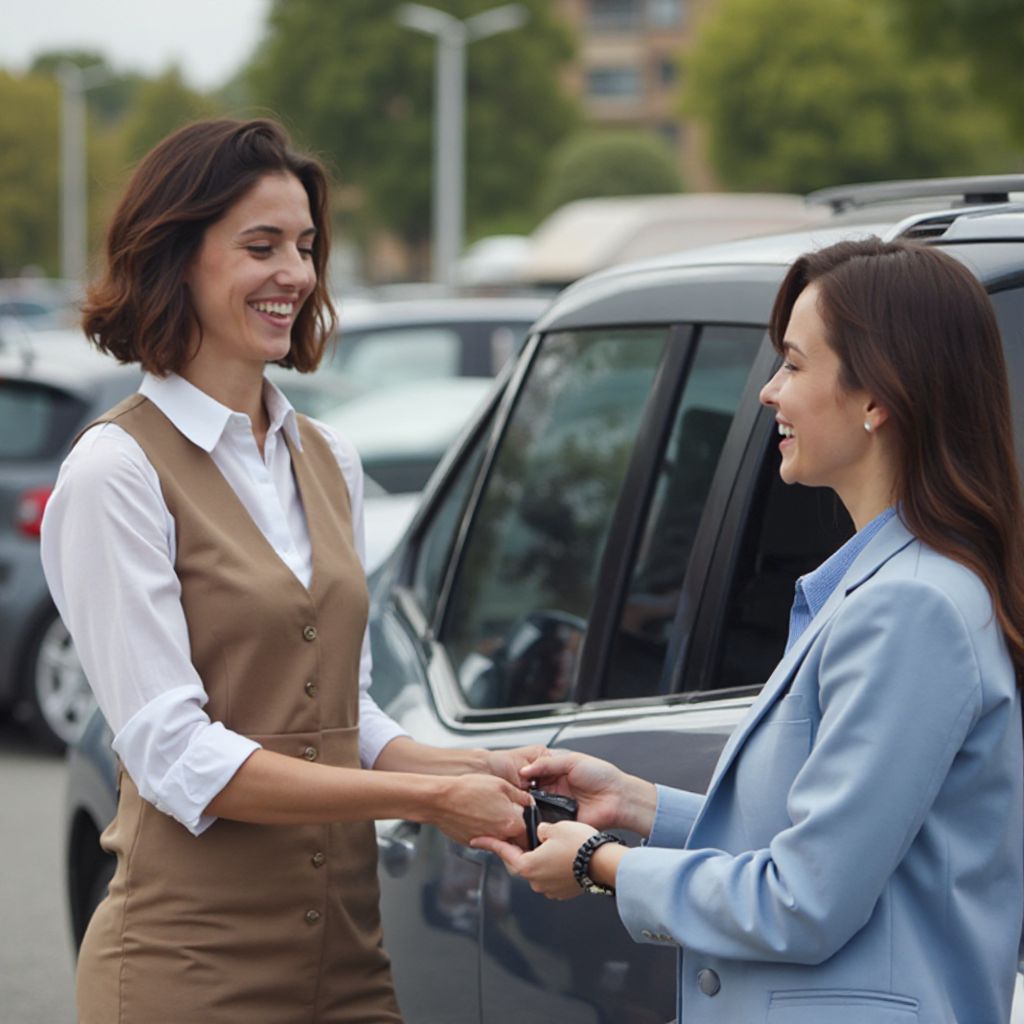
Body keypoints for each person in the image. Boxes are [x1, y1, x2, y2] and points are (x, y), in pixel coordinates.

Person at [40, 118, 535, 1024]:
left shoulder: (328, 458)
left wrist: (486, 769)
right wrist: (430, 799)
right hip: (189, 972)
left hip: (347, 960)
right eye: (260, 246)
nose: (296, 276)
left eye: (306, 247)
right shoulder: (115, 472)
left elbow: (348, 714)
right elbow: (177, 757)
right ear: (175, 258)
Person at [475, 237, 1024, 1023]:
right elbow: (822, 846)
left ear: (878, 400)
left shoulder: (911, 608)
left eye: (795, 365)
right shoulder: (889, 588)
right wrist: (635, 805)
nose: (769, 392)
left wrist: (604, 866)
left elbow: (804, 898)